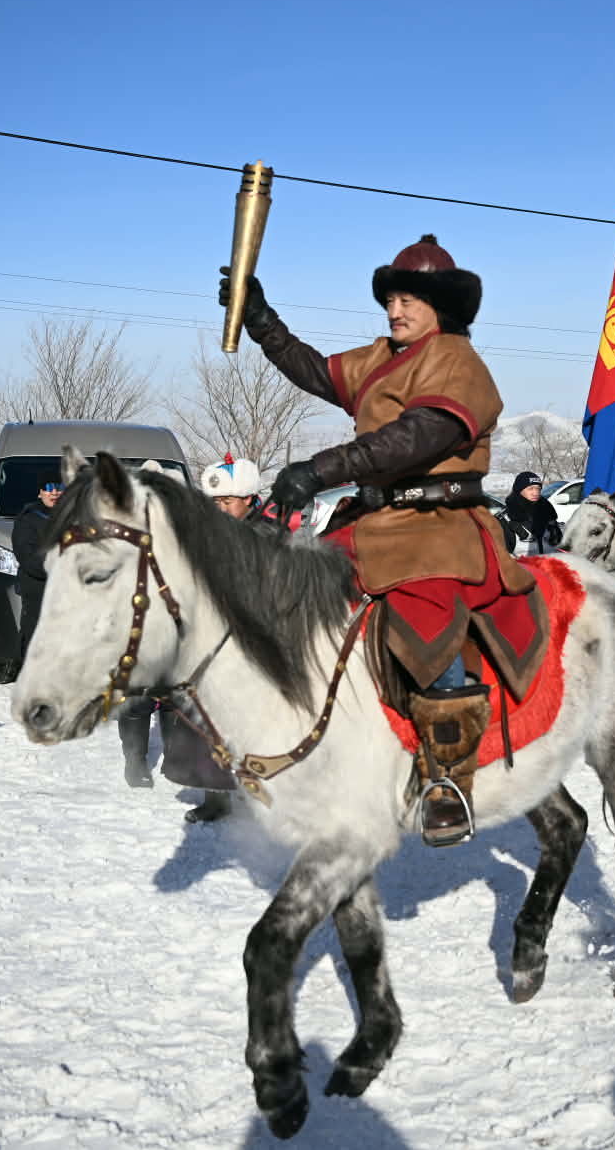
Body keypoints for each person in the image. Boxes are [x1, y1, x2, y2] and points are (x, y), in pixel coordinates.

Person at [222, 236, 542, 847]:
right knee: (288, 596)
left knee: (428, 625)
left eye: (410, 299)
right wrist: (263, 322)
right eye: (391, 299)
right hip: (371, 522)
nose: (396, 310)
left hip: (437, 530)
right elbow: (317, 371)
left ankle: (447, 779)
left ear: (440, 306)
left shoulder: (455, 359)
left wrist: (318, 469)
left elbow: (415, 438)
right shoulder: (382, 356)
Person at [117, 455, 275, 822]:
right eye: (216, 502)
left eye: (228, 502)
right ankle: (216, 796)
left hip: (255, 642)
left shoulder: (269, 533)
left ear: (249, 498)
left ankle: (260, 796)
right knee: (208, 721)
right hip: (213, 642)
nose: (221, 508)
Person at [10, 478, 63, 667]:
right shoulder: (30, 517)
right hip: (38, 588)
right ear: (40, 492)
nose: (54, 493)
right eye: (49, 488)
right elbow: (27, 555)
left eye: (59, 488)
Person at [499, 471, 562, 556]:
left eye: (538, 488)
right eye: (531, 488)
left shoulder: (549, 514)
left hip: (552, 566)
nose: (536, 493)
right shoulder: (505, 520)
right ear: (519, 490)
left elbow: (561, 546)